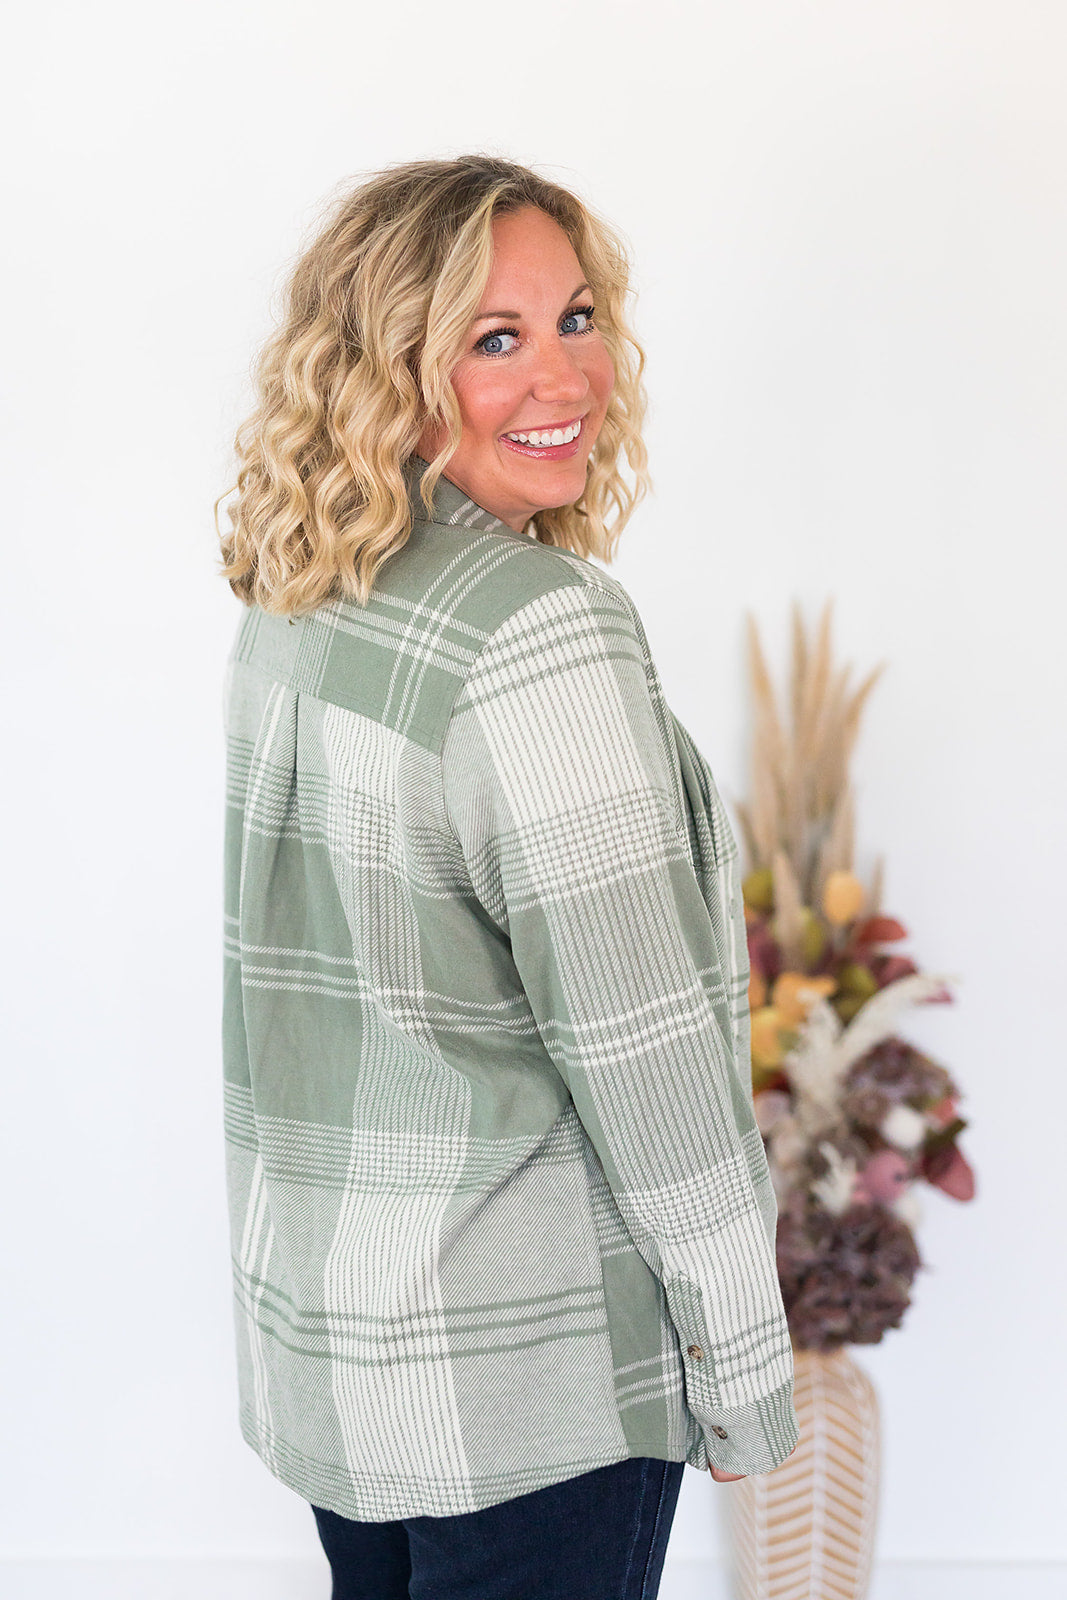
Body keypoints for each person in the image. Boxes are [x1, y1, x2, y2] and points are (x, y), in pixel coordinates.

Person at [216, 153, 799, 1600]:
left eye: (578, 318)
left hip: (346, 1360)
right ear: (388, 371)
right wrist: (739, 1366)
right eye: (496, 339)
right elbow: (646, 1052)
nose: (567, 376)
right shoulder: (539, 633)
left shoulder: (304, 592)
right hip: (532, 1383)